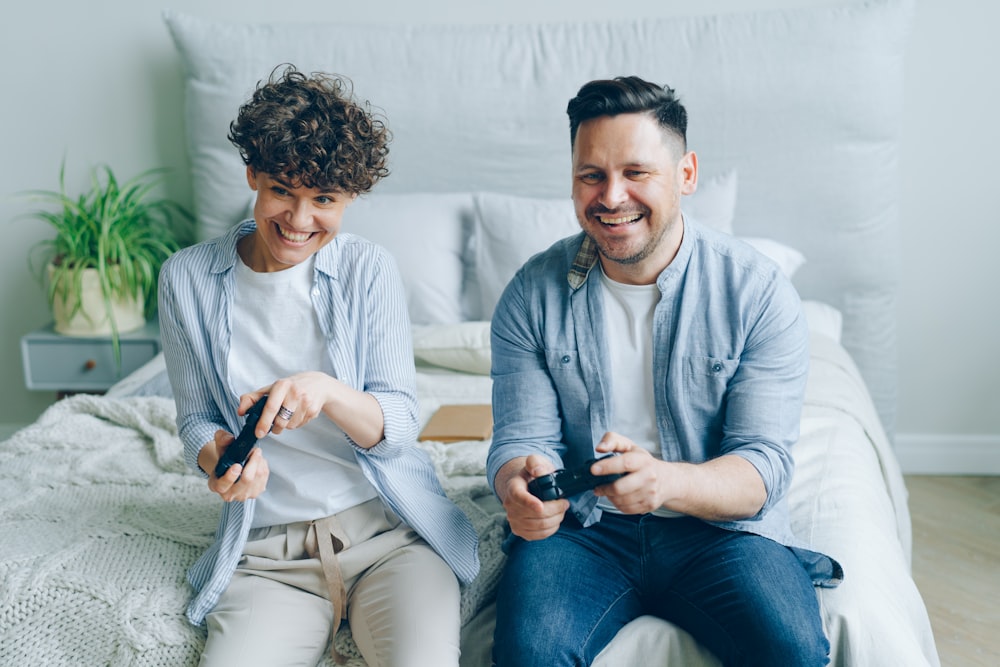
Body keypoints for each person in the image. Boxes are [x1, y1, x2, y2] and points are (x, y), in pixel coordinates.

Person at [486, 76, 842, 667]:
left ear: (686, 174)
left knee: (793, 652)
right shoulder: (530, 293)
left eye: (636, 172)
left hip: (720, 533)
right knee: (529, 652)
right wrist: (517, 486)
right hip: (583, 531)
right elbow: (520, 439)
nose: (611, 196)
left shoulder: (756, 292)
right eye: (591, 175)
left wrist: (667, 483)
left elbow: (763, 465)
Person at [159, 65, 479, 667]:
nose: (299, 221)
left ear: (351, 198)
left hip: (390, 537)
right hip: (266, 557)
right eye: (282, 190)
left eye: (325, 200)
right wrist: (223, 459)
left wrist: (325, 391)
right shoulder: (187, 278)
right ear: (252, 173)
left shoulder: (369, 270)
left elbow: (401, 423)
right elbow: (197, 420)